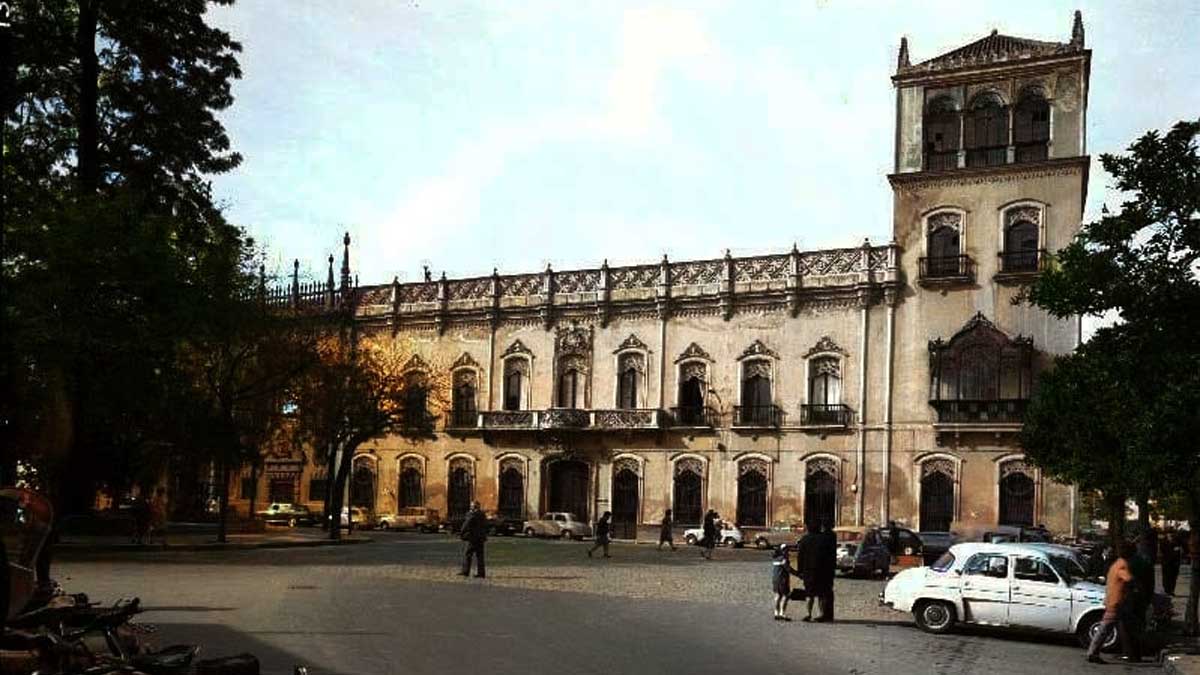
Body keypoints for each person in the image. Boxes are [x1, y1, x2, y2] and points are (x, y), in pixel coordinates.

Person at [1087, 541, 1136, 664]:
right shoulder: (1122, 565)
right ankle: (1092, 653)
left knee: (1115, 626)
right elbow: (1128, 578)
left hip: (1113, 599)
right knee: (1105, 627)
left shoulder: (1116, 563)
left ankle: (1129, 653)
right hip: (1117, 601)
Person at [796, 523, 820, 621]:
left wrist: (799, 571)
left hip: (807, 571)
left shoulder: (804, 540)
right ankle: (820, 614)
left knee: (809, 593)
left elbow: (800, 556)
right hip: (819, 569)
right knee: (821, 593)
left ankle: (808, 613)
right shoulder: (821, 539)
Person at [458, 501, 488, 578]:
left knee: (468, 554)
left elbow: (466, 524)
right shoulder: (482, 514)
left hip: (473, 538)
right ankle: (481, 573)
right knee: (480, 556)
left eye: (471, 506)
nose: (470, 507)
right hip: (481, 538)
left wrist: (461, 532)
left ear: (473, 507)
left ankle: (465, 571)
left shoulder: (472, 514)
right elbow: (485, 526)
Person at [771, 544, 800, 621]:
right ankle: (782, 613)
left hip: (775, 579)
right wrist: (798, 574)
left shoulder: (775, 559)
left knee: (777, 595)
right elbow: (788, 569)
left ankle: (776, 612)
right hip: (783, 580)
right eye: (786, 550)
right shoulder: (784, 559)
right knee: (785, 596)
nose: (787, 551)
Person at [1161, 531, 1182, 597]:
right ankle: (1167, 590)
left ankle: (1171, 590)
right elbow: (1163, 551)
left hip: (1174, 563)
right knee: (1166, 577)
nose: (1171, 537)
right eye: (1170, 535)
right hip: (1166, 562)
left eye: (1172, 535)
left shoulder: (1177, 542)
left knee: (1173, 577)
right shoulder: (1163, 542)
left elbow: (1180, 550)